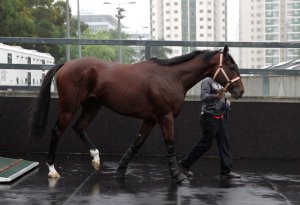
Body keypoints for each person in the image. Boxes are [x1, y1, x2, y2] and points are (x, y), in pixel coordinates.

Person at [179, 76, 241, 179]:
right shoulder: (207, 81)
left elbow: (221, 97)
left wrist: (225, 102)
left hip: (220, 117)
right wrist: (216, 96)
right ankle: (184, 165)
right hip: (208, 118)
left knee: (224, 143)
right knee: (206, 144)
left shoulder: (221, 82)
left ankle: (226, 171)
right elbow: (204, 97)